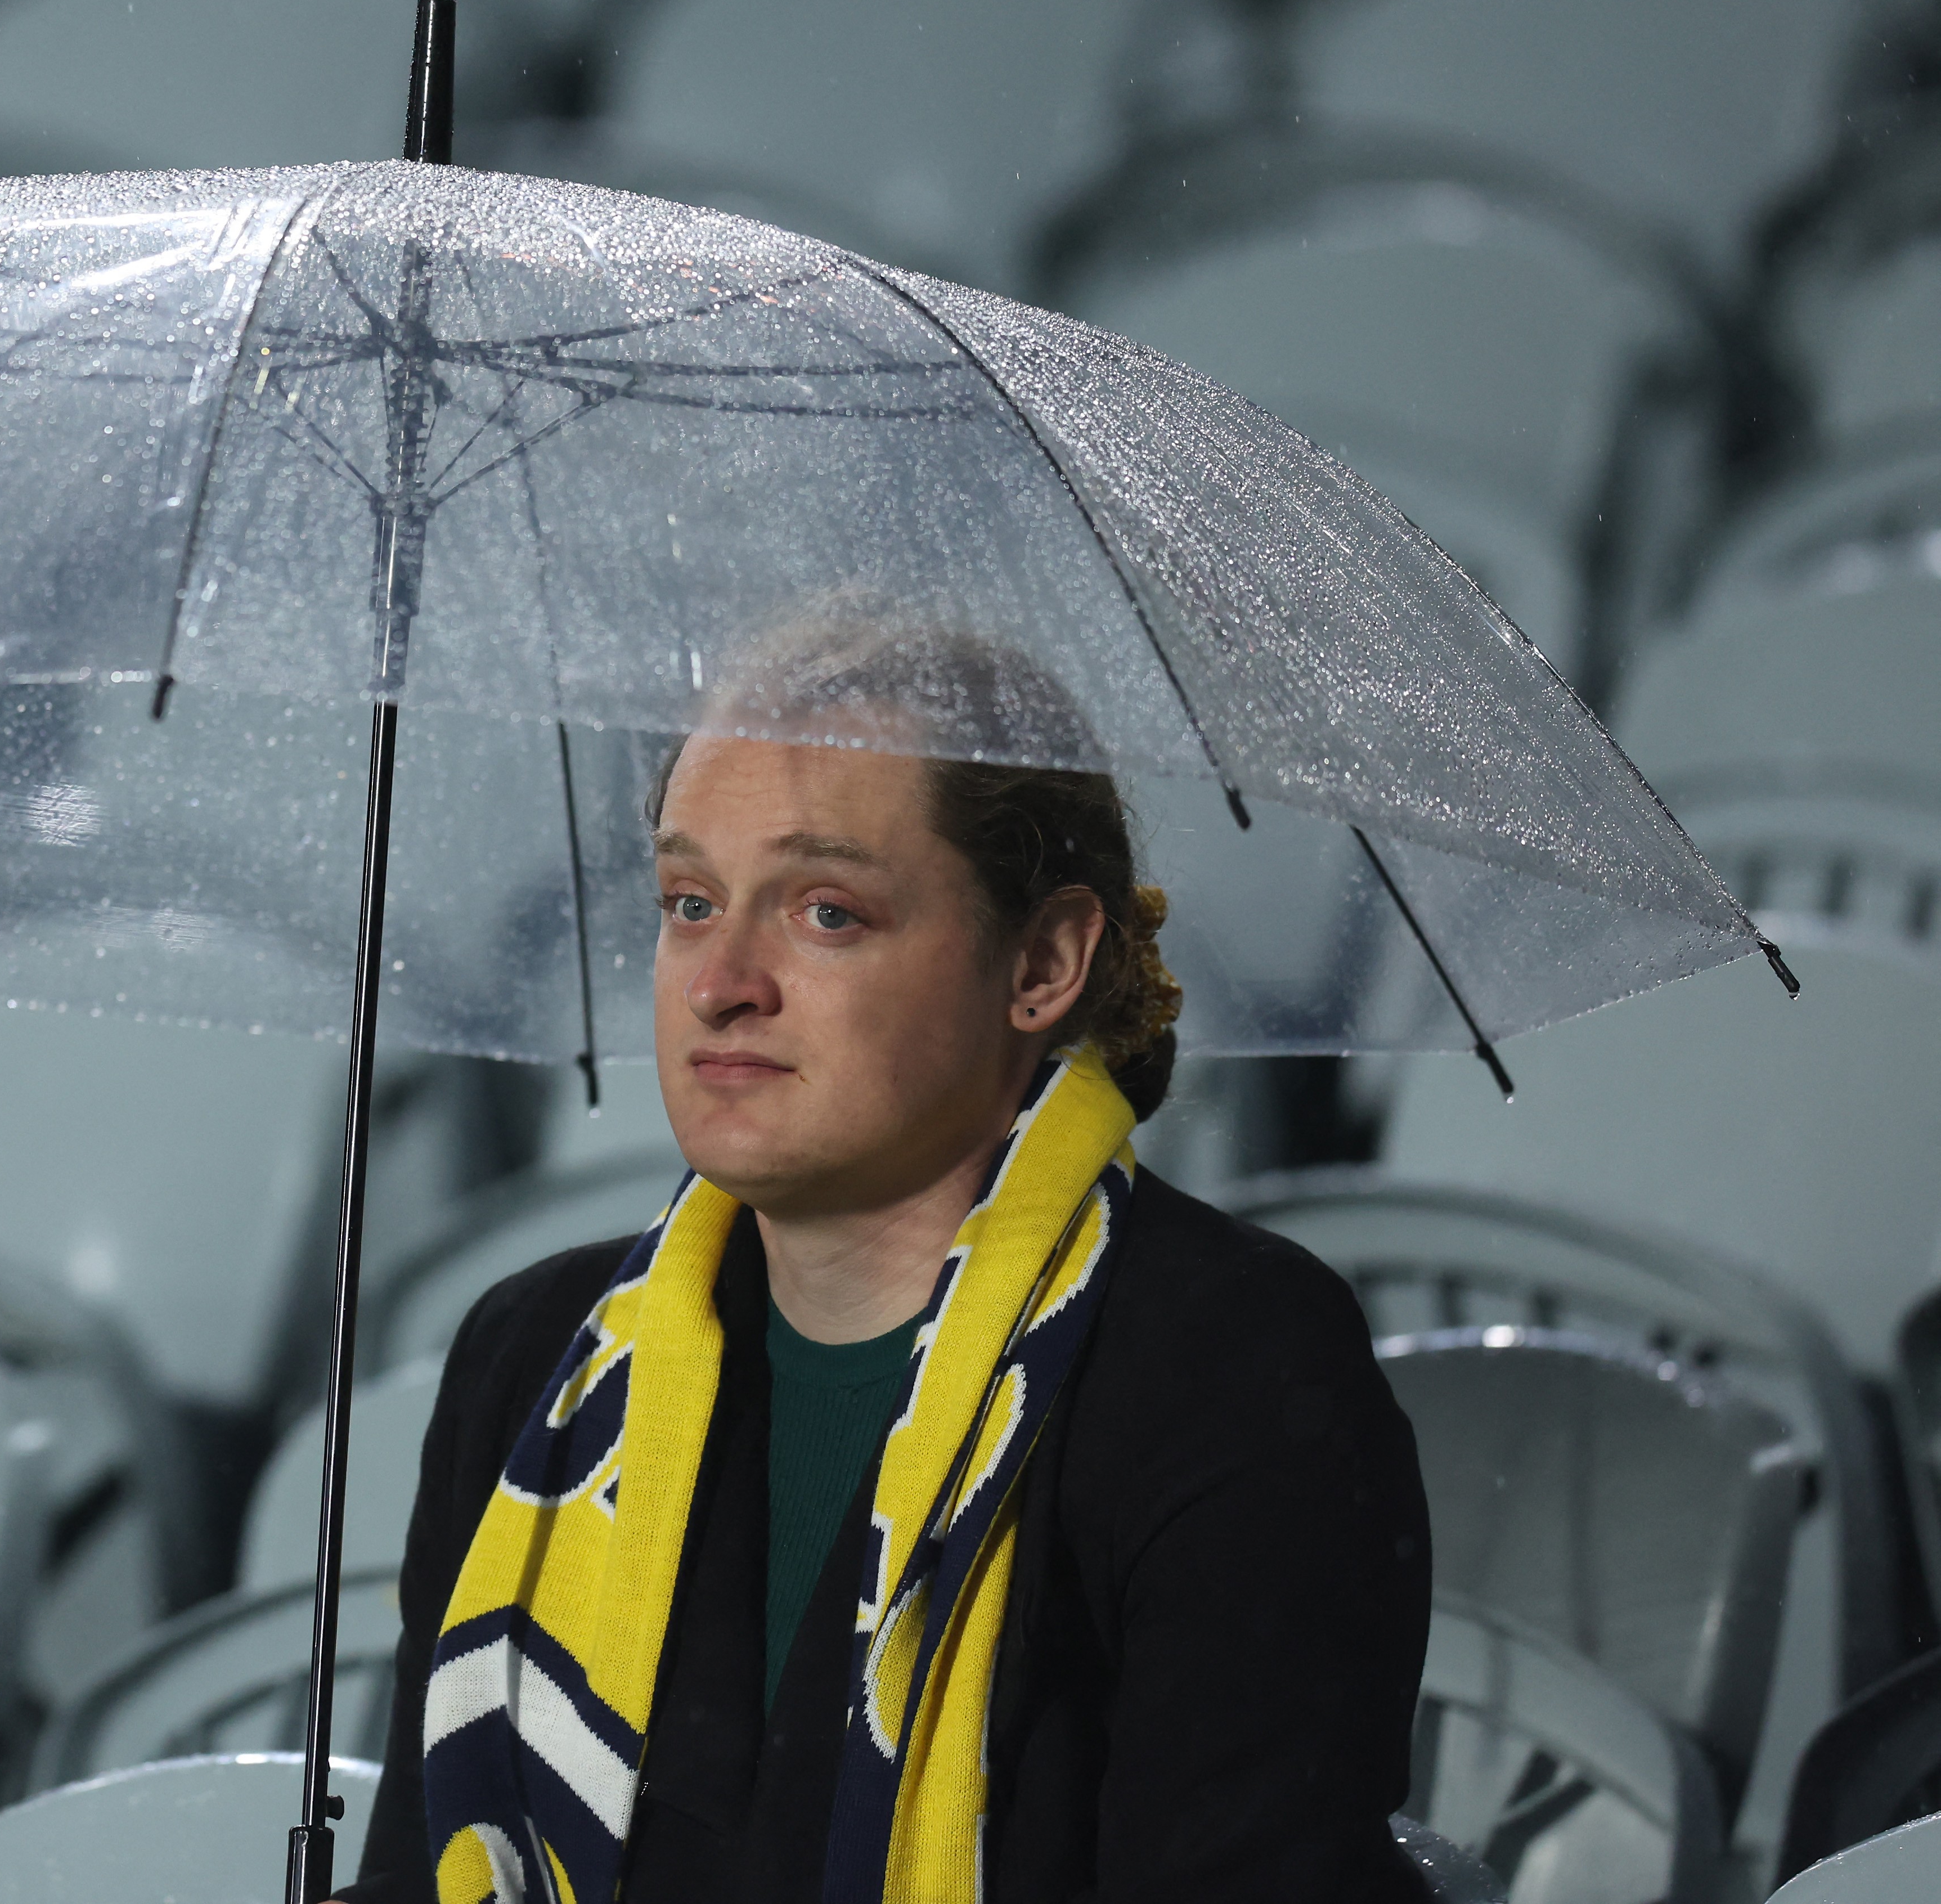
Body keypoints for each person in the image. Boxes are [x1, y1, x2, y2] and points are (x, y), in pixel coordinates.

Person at [336, 616, 1431, 1903]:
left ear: (1041, 962)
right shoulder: (532, 1355)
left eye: (826, 911)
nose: (721, 981)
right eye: (688, 902)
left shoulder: (1230, 1369)